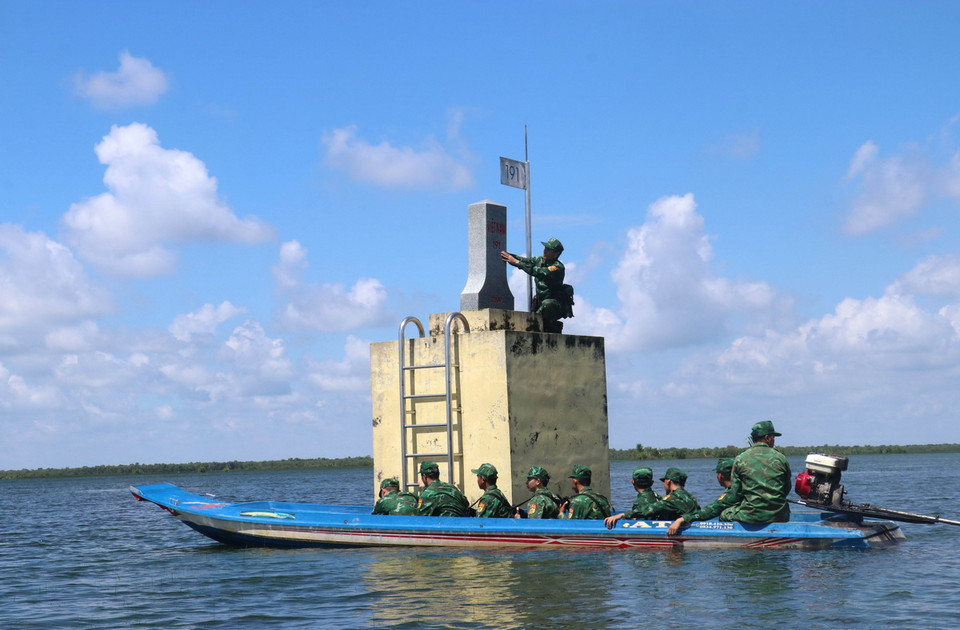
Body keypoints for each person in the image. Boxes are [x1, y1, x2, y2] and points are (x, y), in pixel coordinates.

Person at [719, 420, 792, 524]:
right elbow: (786, 489)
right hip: (780, 515)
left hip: (751, 516)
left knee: (724, 514)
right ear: (767, 438)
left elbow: (735, 494)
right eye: (773, 437)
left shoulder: (740, 459)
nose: (774, 441)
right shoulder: (781, 458)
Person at [500, 237, 572, 334]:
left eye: (548, 250)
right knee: (536, 323)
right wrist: (506, 254)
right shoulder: (539, 260)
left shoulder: (557, 267)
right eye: (545, 248)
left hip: (554, 305)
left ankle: (553, 326)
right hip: (540, 303)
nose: (545, 251)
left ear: (556, 254)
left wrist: (517, 263)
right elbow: (524, 261)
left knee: (547, 306)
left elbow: (539, 272)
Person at [667, 457, 736, 535]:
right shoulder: (741, 487)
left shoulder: (732, 493)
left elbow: (713, 509)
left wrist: (682, 519)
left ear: (720, 476)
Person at [633, 467, 699, 521]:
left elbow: (648, 510)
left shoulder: (673, 498)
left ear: (668, 481)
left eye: (664, 481)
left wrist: (626, 515)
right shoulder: (690, 496)